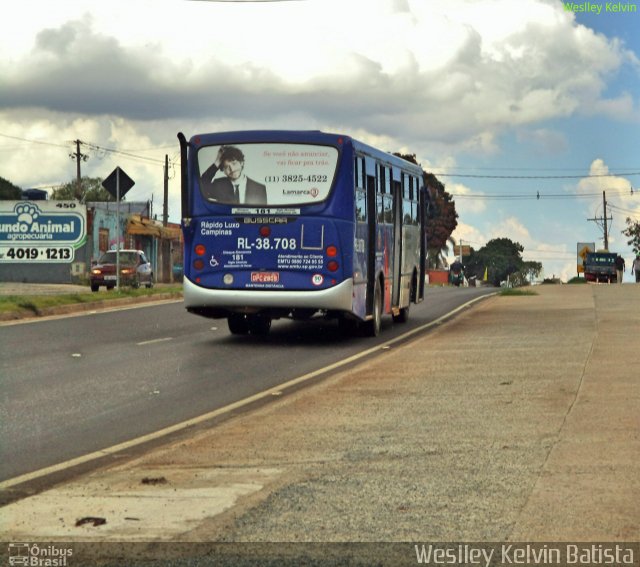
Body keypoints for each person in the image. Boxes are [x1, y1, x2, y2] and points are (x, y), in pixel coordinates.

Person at [200, 145, 267, 205]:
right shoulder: (218, 185)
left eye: (234, 163)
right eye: (226, 167)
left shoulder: (260, 188)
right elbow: (200, 186)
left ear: (241, 163)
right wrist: (217, 163)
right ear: (223, 170)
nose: (232, 169)